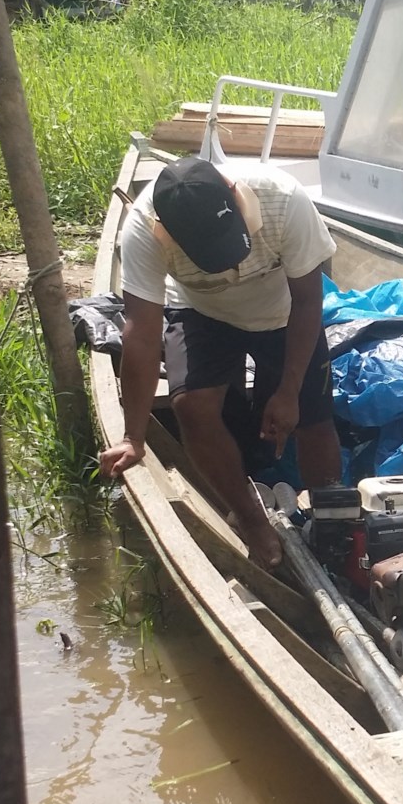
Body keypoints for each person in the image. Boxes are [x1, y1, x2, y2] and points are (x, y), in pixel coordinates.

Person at [97, 157, 343, 569]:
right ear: (168, 232)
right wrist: (133, 438)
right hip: (201, 311)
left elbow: (307, 300)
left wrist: (289, 391)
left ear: (235, 196)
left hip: (284, 312)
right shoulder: (143, 231)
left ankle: (332, 526)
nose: (232, 265)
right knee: (191, 406)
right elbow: (140, 335)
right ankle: (250, 520)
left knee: (313, 420)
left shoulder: (283, 200)